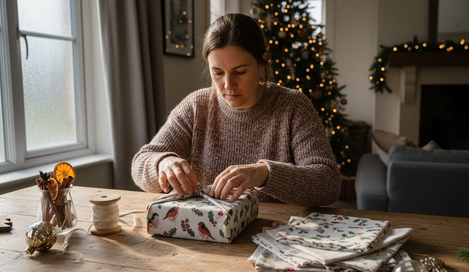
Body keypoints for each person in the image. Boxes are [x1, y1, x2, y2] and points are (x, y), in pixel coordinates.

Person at [131, 13, 341, 207]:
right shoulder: (197, 107)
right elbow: (140, 163)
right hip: (209, 236)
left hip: (278, 235)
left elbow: (328, 183)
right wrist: (162, 162)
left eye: (240, 72)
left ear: (262, 63)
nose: (228, 85)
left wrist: (266, 173)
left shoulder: (293, 107)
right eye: (218, 73)